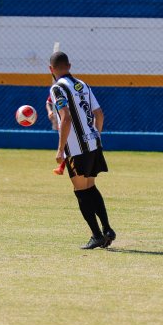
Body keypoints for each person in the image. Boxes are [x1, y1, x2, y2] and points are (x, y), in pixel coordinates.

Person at [49, 51, 115, 249]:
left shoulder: (57, 88)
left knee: (81, 191)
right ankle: (107, 229)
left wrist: (60, 149)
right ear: (69, 65)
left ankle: (96, 235)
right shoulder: (83, 85)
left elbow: (66, 118)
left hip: (76, 149)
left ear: (51, 69)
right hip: (93, 144)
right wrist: (96, 136)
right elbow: (99, 114)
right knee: (90, 187)